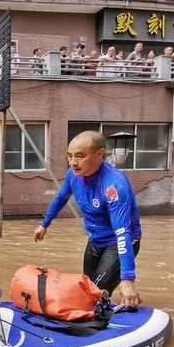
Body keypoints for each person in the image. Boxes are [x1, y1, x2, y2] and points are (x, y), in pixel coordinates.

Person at [33, 131, 142, 308]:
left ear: (100, 153)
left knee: (95, 294)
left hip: (119, 241)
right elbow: (61, 198)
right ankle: (126, 301)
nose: (73, 162)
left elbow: (123, 233)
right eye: (69, 156)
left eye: (80, 156)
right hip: (95, 239)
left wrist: (128, 278)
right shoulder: (73, 175)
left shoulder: (114, 185)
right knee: (88, 289)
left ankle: (125, 298)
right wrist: (44, 224)